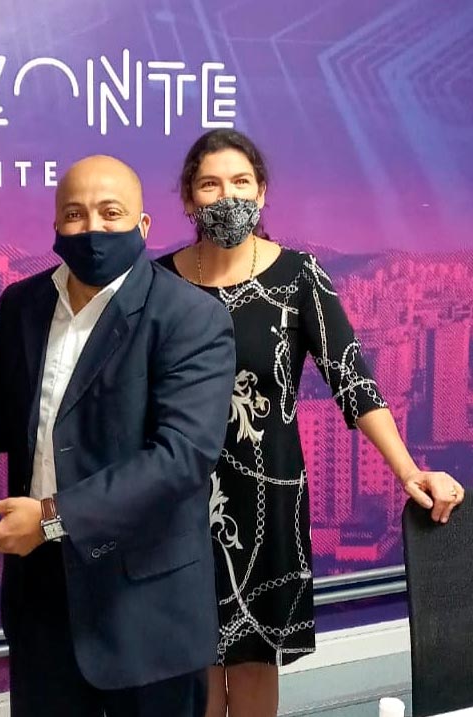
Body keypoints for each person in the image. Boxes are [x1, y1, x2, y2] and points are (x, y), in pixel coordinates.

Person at [158, 128, 466, 717]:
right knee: (191, 673)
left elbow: (352, 380)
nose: (227, 196)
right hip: (177, 498)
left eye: (241, 182)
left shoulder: (299, 276)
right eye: (210, 184)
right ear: (189, 198)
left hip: (267, 497)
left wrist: (409, 471)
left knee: (253, 664)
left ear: (262, 192)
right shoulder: (158, 283)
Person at [0, 155, 236, 717]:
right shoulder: (22, 304)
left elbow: (181, 458)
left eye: (111, 213)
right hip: (41, 595)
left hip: (145, 603)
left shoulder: (190, 316)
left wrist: (51, 517)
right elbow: (9, 407)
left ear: (143, 224)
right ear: (56, 224)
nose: (92, 229)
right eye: (75, 214)